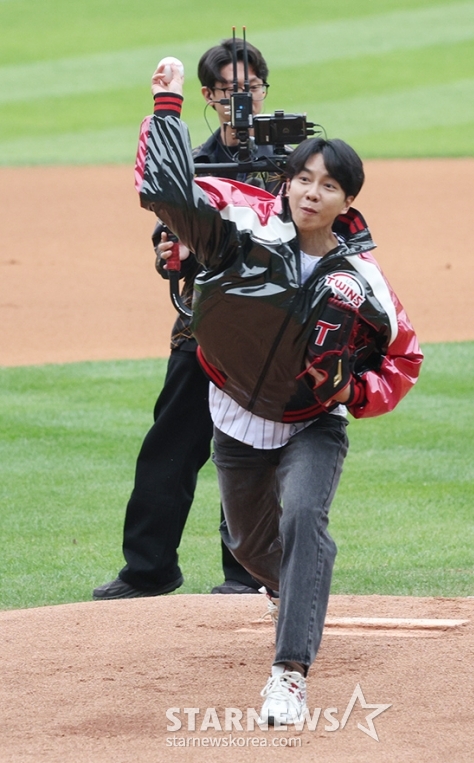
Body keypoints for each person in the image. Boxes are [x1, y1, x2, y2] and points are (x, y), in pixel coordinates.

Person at [135, 60, 423, 724]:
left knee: (302, 521)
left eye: (329, 185)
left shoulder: (362, 280)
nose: (311, 192)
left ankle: (288, 673)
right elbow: (168, 199)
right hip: (236, 418)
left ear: (348, 201)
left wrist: (356, 387)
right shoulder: (246, 236)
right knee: (250, 547)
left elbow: (404, 358)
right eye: (302, 178)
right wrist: (167, 106)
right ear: (286, 184)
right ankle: (292, 581)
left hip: (312, 424)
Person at [93, 38, 282, 601]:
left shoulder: (292, 164)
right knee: (168, 449)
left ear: (265, 90)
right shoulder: (190, 164)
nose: (242, 100)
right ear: (208, 95)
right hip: (201, 330)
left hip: (268, 337)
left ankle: (245, 574)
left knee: (250, 451)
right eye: (229, 91)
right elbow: (168, 235)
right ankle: (149, 570)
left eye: (251, 88)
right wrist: (168, 253)